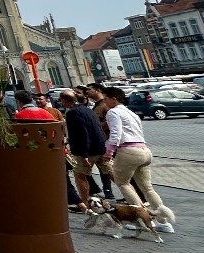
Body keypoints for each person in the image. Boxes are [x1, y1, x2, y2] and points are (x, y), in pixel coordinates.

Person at [103, 86, 177, 233]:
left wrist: (109, 152)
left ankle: (142, 219)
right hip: (144, 150)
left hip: (128, 151)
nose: (104, 102)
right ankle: (164, 222)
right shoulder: (131, 113)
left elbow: (116, 134)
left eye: (106, 98)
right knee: (147, 187)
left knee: (123, 183)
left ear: (114, 99)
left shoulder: (113, 112)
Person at [64, 89, 111, 210]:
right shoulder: (88, 110)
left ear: (64, 101)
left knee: (80, 175)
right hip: (100, 147)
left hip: (88, 150)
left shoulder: (72, 113)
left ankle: (85, 204)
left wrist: (84, 153)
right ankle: (134, 197)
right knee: (113, 174)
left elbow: (81, 133)